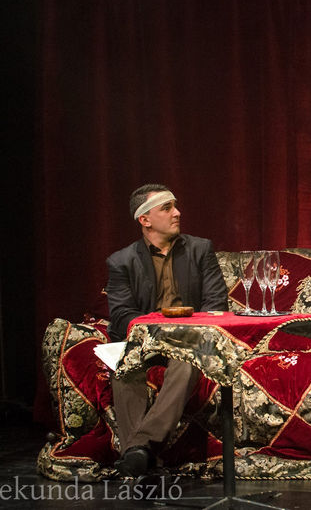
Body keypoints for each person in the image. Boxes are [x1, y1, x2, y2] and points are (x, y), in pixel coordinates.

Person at [106, 183, 228, 477]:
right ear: (145, 219)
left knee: (186, 364)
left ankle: (138, 450)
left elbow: (216, 303)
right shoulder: (121, 261)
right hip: (145, 341)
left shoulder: (200, 249)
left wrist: (183, 332)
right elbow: (121, 314)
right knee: (124, 368)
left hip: (188, 341)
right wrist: (155, 332)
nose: (177, 213)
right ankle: (140, 456)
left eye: (175, 206)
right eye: (167, 208)